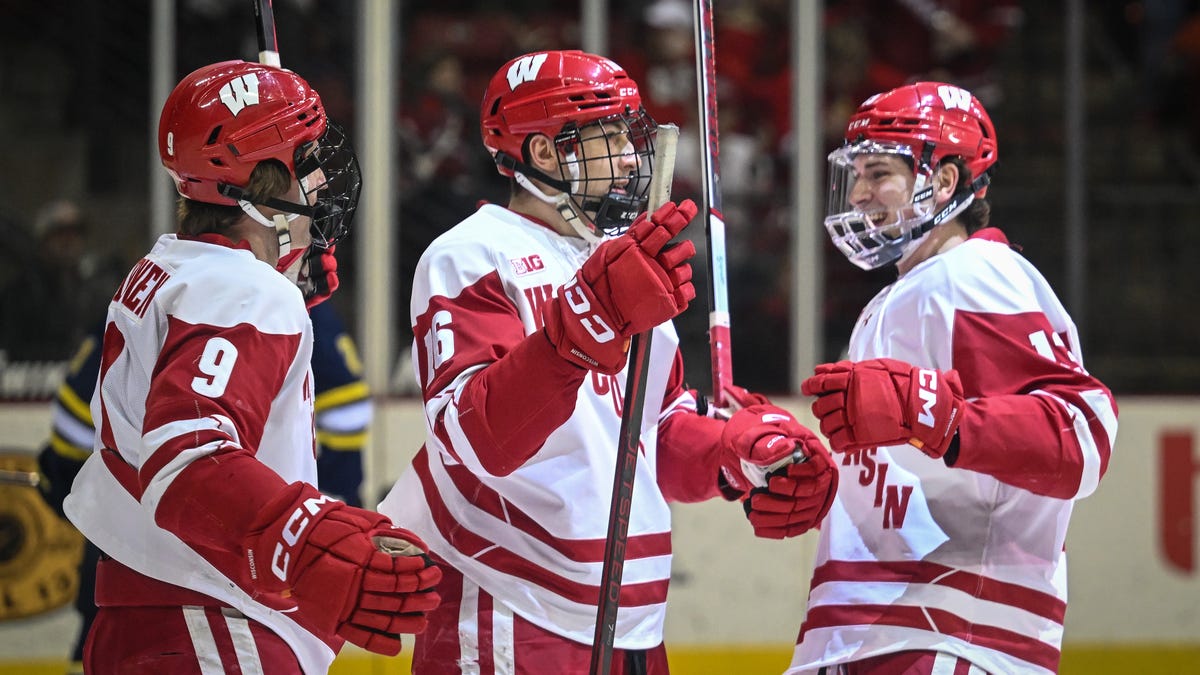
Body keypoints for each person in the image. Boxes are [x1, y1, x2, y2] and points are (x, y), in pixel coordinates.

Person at [376, 49, 839, 675]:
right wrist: (587, 323)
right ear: (542, 154)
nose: (628, 155)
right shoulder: (472, 253)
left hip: (633, 615)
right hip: (511, 602)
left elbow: (653, 430)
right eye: (607, 137)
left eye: (628, 133)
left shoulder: (627, 259)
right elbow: (479, 438)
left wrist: (736, 449)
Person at [61, 60, 441, 674]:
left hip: (148, 612)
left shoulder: (166, 270)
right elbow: (187, 455)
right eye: (305, 157)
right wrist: (311, 540)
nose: (319, 177)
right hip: (214, 618)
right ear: (263, 178)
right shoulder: (243, 291)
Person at [790, 82, 1119, 674]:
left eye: (880, 173)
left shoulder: (977, 274)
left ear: (944, 182)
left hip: (950, 636)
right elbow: (911, 470)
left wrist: (938, 417)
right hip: (875, 631)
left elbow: (1083, 437)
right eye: (856, 174)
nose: (859, 193)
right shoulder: (903, 295)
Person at [37, 300, 371, 674]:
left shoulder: (149, 291)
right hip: (233, 580)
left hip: (121, 558)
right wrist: (327, 506)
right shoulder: (284, 300)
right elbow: (348, 407)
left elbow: (72, 421)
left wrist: (64, 478)